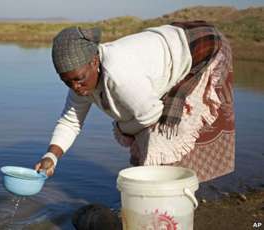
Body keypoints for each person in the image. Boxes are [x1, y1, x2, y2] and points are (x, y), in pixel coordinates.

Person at [34, 21, 235, 184]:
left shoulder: (120, 77)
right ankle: (165, 193)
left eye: (78, 79)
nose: (75, 87)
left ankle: (167, 199)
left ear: (94, 61)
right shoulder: (81, 80)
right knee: (147, 139)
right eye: (66, 81)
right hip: (164, 58)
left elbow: (151, 115)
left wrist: (122, 127)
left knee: (160, 137)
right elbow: (70, 122)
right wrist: (51, 157)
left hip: (200, 48)